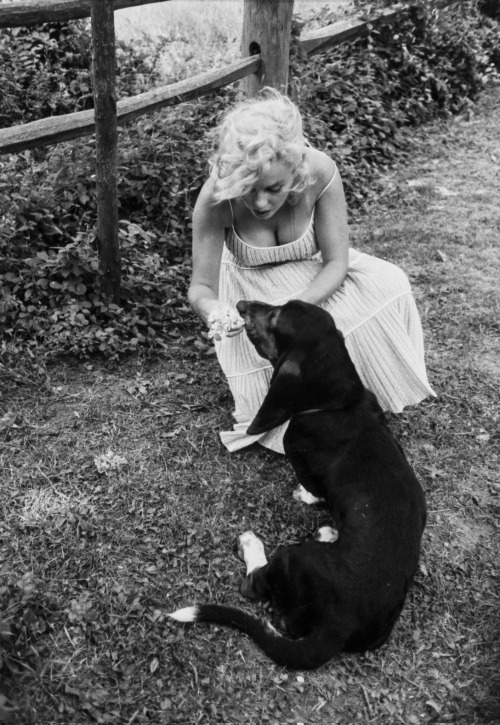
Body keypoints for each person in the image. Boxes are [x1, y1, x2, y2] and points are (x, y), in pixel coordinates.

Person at [188, 88, 435, 454]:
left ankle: (367, 391)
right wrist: (215, 310)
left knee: (391, 282)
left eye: (273, 188)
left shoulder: (319, 171)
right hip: (251, 286)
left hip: (313, 277)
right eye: (248, 189)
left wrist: (294, 310)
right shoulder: (215, 198)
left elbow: (337, 262)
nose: (260, 202)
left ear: (296, 167)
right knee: (275, 341)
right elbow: (201, 287)